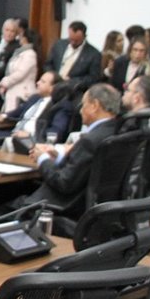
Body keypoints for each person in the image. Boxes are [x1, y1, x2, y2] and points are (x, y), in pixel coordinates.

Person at [22, 83, 121, 211]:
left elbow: (64, 182)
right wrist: (59, 157)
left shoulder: (90, 140)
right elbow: (84, 169)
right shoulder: (118, 133)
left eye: (83, 105)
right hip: (95, 207)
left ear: (94, 106)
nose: (80, 110)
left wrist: (43, 158)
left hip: (58, 207)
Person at [0, 71, 72, 147]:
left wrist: (30, 136)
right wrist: (3, 116)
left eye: (43, 82)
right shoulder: (35, 98)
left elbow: (56, 131)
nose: (37, 83)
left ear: (53, 87)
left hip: (33, 141)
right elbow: (19, 111)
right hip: (15, 134)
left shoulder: (60, 106)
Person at [45, 20, 102, 91]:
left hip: (74, 90)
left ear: (84, 36)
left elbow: (93, 78)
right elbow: (48, 64)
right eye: (71, 39)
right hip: (52, 86)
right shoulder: (59, 45)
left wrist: (71, 81)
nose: (73, 43)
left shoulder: (94, 54)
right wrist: (53, 77)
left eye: (77, 41)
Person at [0, 27, 38, 112]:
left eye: (20, 36)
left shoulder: (30, 54)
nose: (18, 38)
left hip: (22, 93)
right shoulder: (20, 52)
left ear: (25, 38)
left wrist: (4, 82)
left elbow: (20, 73)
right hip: (13, 91)